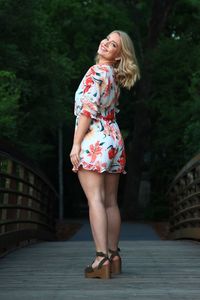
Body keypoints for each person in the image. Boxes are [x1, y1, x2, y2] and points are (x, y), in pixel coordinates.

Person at [70, 30, 140, 279]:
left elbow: (88, 109)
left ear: (119, 55)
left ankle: (101, 259)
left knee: (96, 200)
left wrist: (76, 145)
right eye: (107, 39)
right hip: (114, 139)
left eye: (113, 45)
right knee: (110, 201)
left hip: (95, 138)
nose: (105, 43)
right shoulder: (113, 76)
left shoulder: (96, 71)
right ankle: (114, 255)